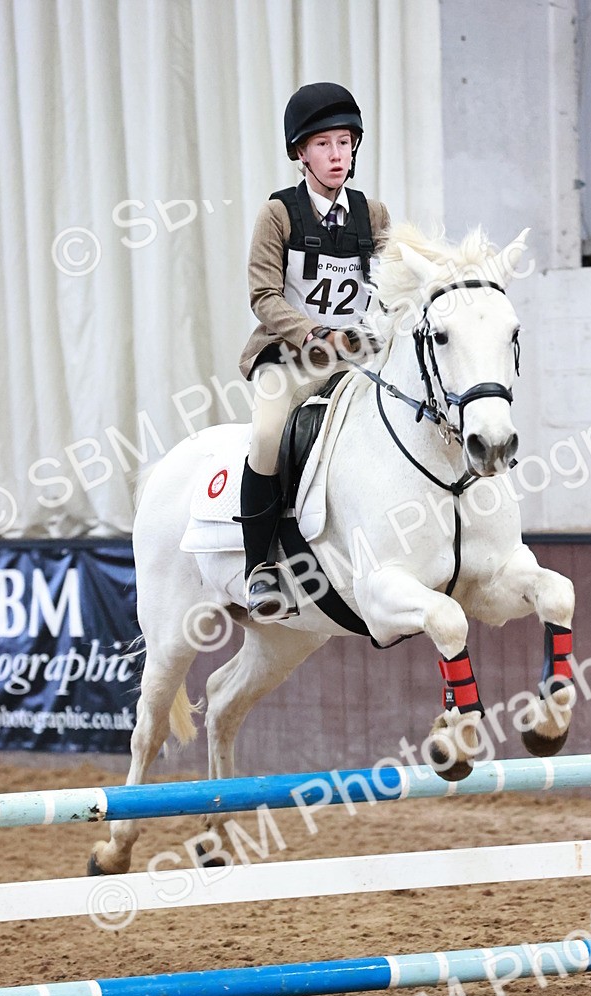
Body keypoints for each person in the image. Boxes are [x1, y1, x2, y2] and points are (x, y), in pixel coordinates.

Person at [237, 81, 390, 620]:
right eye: (324, 145)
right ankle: (260, 569)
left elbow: (388, 285)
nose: (337, 155)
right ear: (300, 153)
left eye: (345, 143)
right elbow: (263, 295)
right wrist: (311, 335)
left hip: (358, 357)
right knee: (266, 435)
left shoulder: (371, 213)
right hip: (292, 357)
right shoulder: (278, 214)